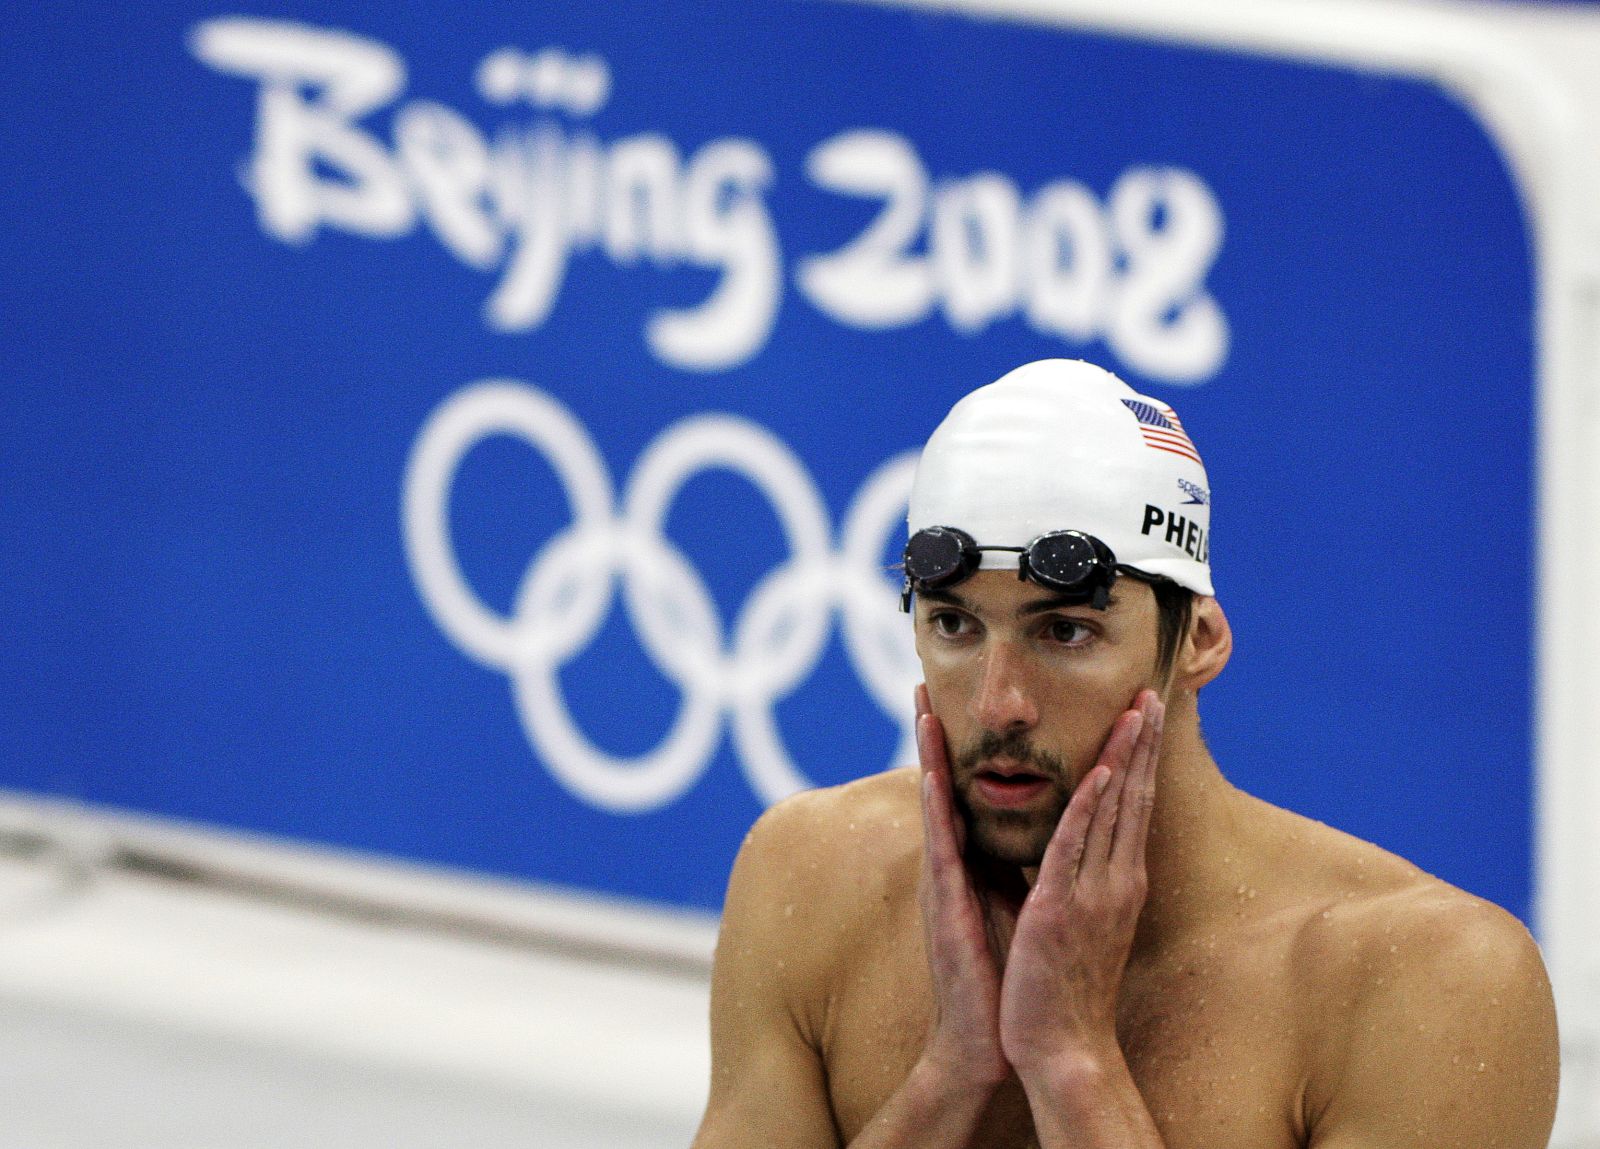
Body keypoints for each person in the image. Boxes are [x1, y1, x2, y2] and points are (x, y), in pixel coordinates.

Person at [691, 359, 1559, 1148]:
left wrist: (1075, 1066)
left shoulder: (1429, 985)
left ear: (1201, 641)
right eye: (954, 623)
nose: (999, 704)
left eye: (1065, 630)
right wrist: (951, 1075)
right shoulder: (808, 876)